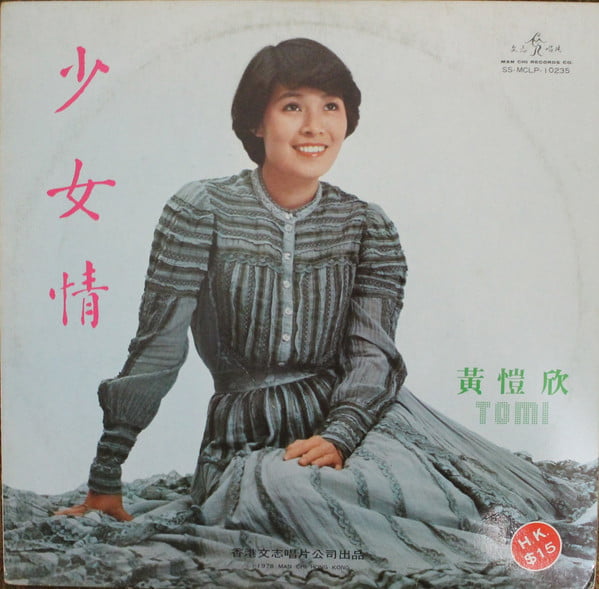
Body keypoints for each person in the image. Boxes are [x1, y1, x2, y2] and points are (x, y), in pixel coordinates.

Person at [55, 38, 583, 582]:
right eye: (292, 106)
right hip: (246, 436)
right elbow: (159, 347)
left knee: (446, 498)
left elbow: (372, 353)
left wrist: (341, 435)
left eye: (331, 106)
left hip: (360, 417)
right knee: (283, 492)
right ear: (256, 121)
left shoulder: (368, 225)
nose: (315, 126)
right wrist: (106, 473)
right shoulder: (200, 210)